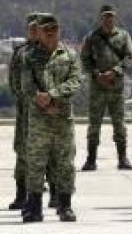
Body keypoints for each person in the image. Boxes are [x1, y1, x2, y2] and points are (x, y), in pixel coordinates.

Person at [21, 13, 81, 223]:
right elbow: (26, 86)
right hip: (39, 120)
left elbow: (75, 82)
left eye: (53, 28)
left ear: (58, 29)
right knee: (36, 163)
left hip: (63, 120)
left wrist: (53, 96)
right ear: (39, 31)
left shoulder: (70, 55)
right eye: (46, 29)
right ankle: (34, 207)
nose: (50, 32)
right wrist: (41, 99)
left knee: (65, 164)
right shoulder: (29, 57)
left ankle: (65, 206)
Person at [80, 4, 132, 171]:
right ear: (101, 18)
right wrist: (97, 74)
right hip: (97, 88)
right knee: (94, 124)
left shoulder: (123, 36)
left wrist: (115, 71)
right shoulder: (91, 37)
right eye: (105, 16)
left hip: (116, 87)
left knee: (119, 124)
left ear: (115, 18)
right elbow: (85, 59)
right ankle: (91, 159)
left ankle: (123, 158)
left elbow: (129, 56)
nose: (108, 19)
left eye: (111, 16)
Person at [7, 13, 40, 210]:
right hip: (24, 113)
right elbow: (13, 81)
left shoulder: (50, 51)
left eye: (37, 28)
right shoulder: (20, 53)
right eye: (31, 28)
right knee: (22, 153)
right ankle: (21, 194)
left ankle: (54, 194)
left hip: (45, 112)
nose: (34, 31)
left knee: (49, 153)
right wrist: (28, 97)